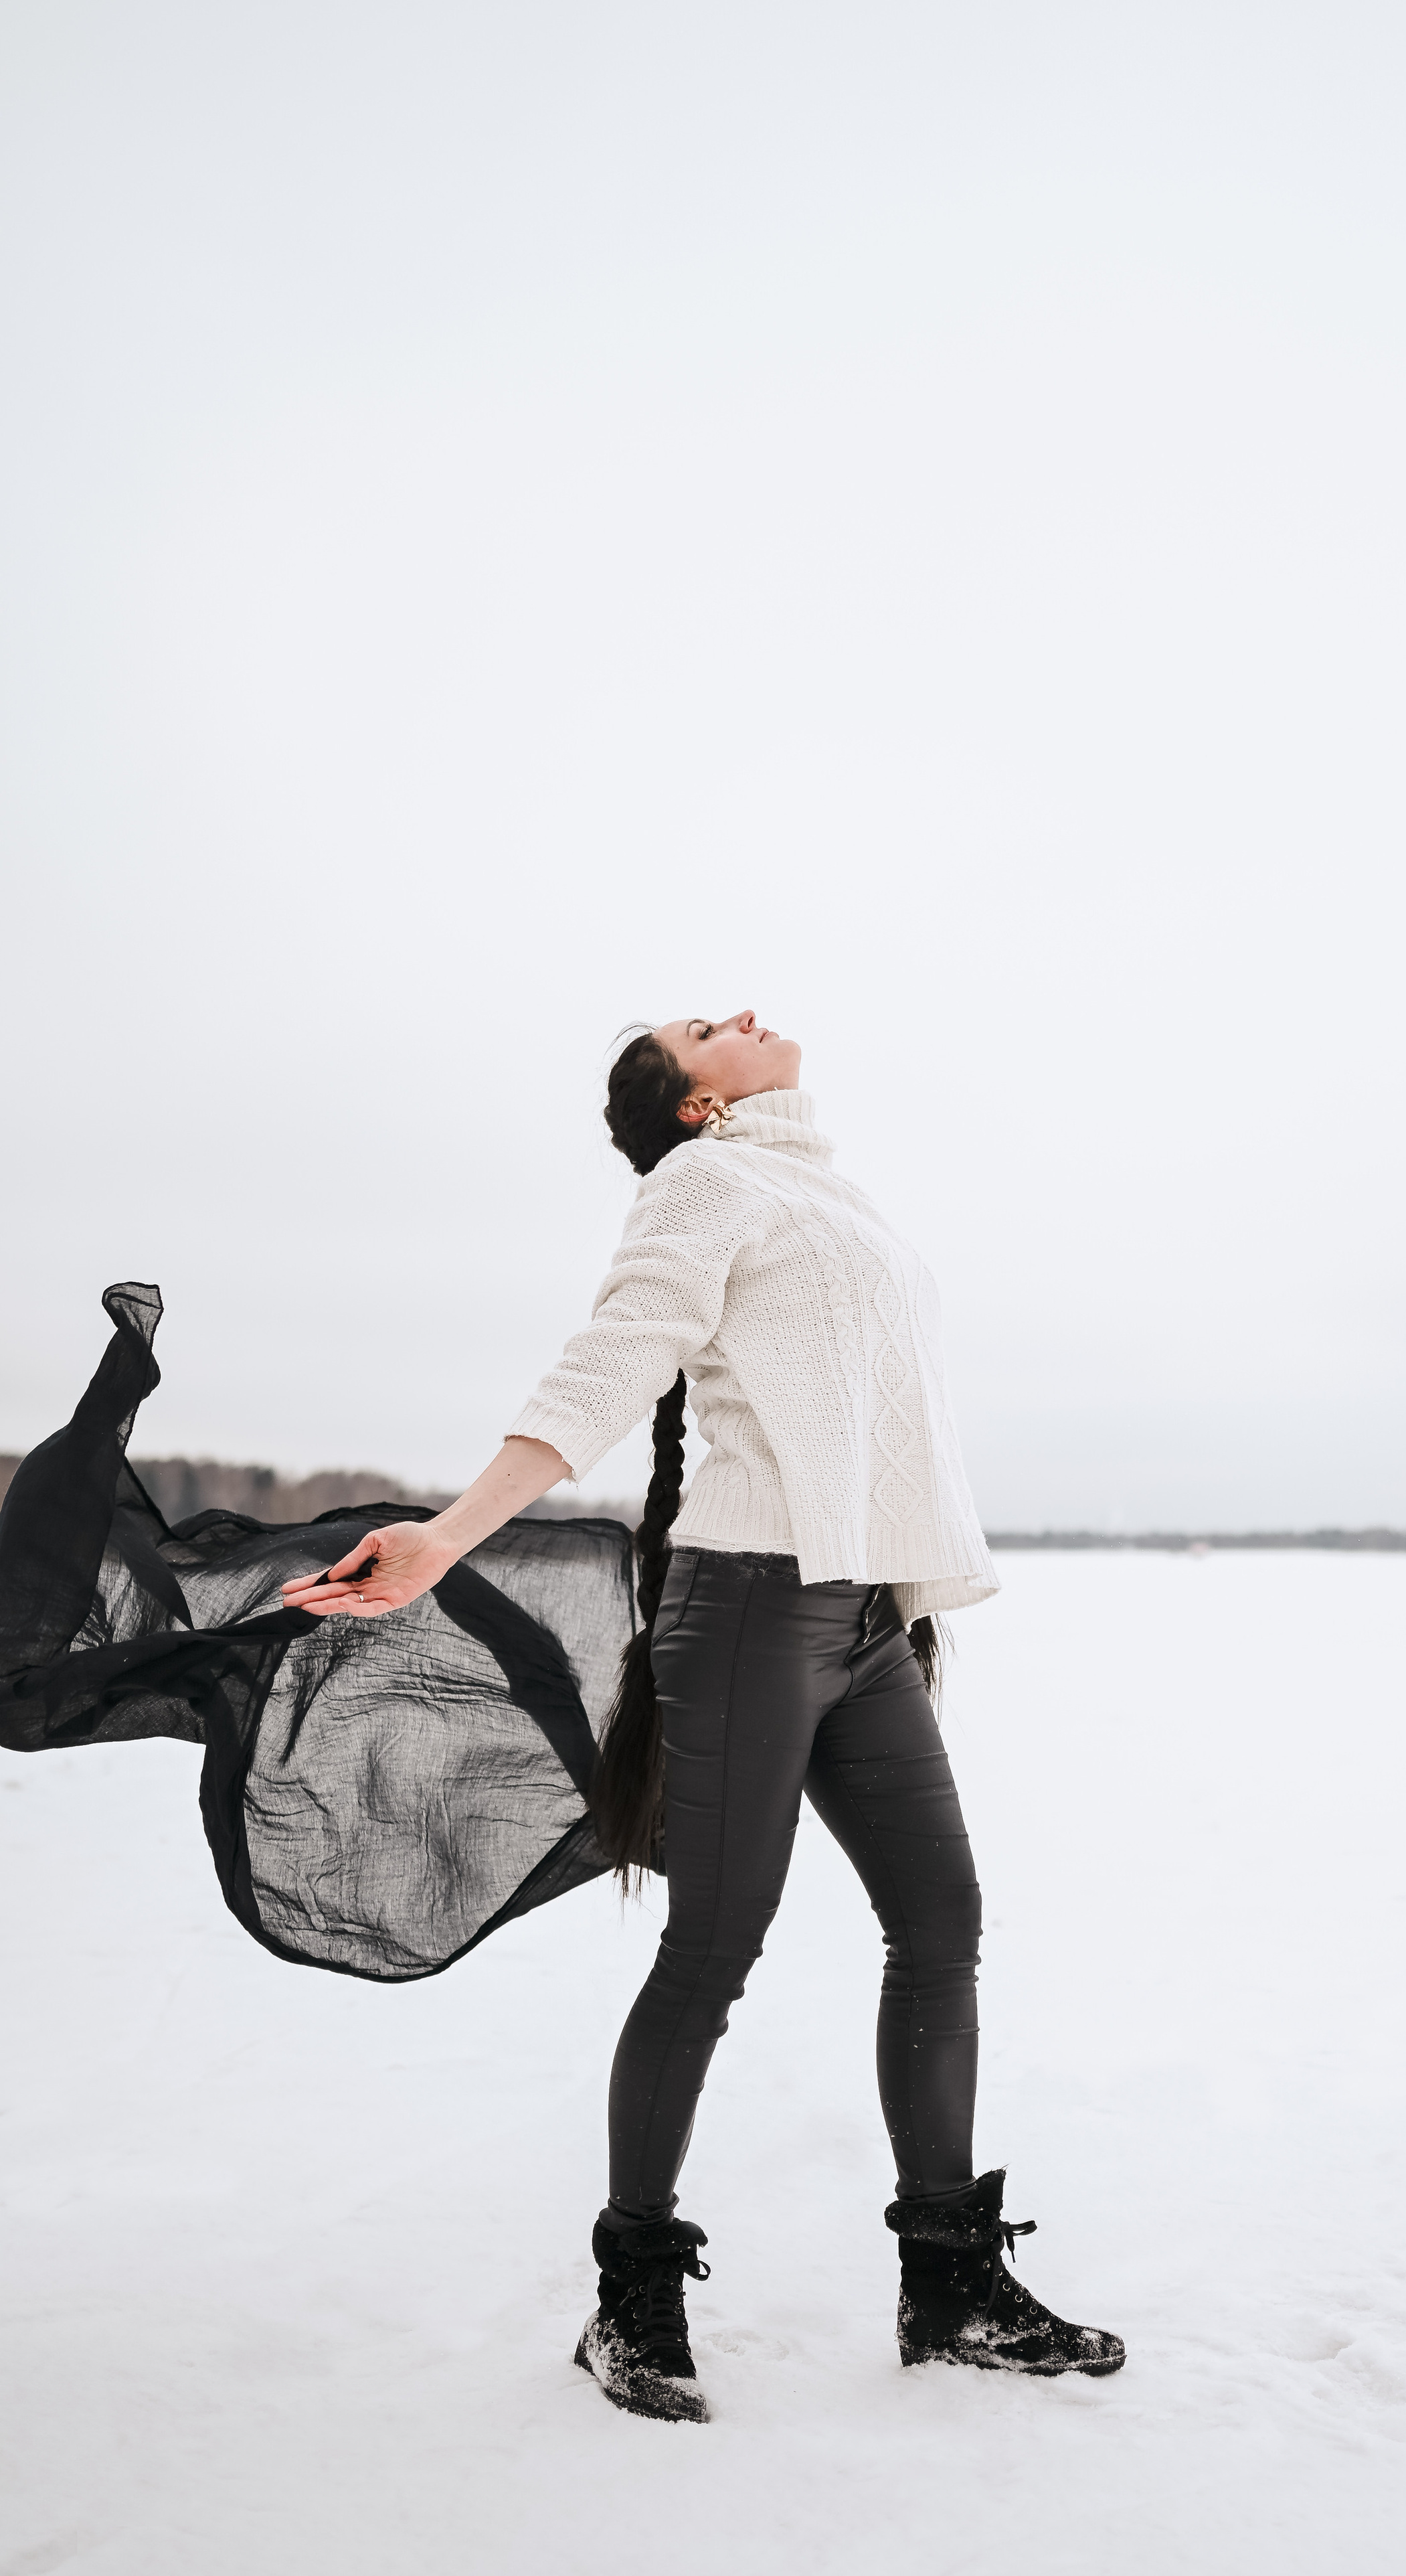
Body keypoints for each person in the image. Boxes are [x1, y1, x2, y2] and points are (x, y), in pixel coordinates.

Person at [281, 1012, 1124, 2423]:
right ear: (692, 1107)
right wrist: (448, 1532)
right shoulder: (700, 1186)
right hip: (746, 1610)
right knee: (713, 1948)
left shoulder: (823, 1189)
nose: (737, 1013)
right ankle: (630, 2294)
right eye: (699, 1030)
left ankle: (947, 2281)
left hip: (860, 1617)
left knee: (940, 1918)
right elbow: (606, 1368)